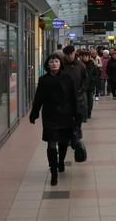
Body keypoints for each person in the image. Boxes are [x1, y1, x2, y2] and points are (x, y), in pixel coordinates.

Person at [30, 54, 81, 186]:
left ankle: (61, 162)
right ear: (48, 64)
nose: (54, 64)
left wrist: (78, 114)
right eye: (51, 62)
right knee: (51, 144)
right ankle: (53, 172)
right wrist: (34, 112)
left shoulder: (67, 78)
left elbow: (73, 97)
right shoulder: (43, 80)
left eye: (56, 61)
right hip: (50, 115)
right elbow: (38, 98)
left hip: (66, 114)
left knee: (63, 142)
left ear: (60, 64)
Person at [61, 46, 88, 135]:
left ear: (74, 53)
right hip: (65, 97)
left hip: (78, 96)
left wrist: (81, 90)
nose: (70, 56)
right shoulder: (62, 66)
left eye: (71, 54)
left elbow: (85, 79)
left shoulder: (80, 65)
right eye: (67, 55)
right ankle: (69, 134)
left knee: (78, 115)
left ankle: (77, 130)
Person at [80, 50, 97, 120]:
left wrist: (93, 79)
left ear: (89, 57)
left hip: (91, 85)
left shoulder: (92, 65)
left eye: (87, 56)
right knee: (84, 102)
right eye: (84, 56)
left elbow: (96, 74)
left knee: (90, 101)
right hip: (83, 86)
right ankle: (85, 115)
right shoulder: (80, 65)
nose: (85, 58)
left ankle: (89, 112)